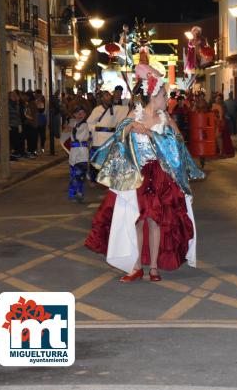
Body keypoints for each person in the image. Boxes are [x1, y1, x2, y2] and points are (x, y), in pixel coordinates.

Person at [85, 51, 205, 283]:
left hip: (160, 175)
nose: (166, 98)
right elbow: (119, 135)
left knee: (155, 220)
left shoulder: (165, 119)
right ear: (154, 96)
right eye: (163, 95)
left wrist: (150, 133)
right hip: (137, 175)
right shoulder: (134, 114)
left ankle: (154, 268)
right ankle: (137, 266)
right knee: (137, 220)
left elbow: (179, 144)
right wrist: (131, 127)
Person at [86, 90, 129, 182]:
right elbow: (89, 123)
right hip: (98, 138)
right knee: (96, 160)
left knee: (108, 160)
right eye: (106, 95)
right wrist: (96, 129)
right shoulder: (97, 110)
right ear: (101, 98)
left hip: (110, 138)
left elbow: (128, 108)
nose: (109, 97)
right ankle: (93, 179)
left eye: (109, 95)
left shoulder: (117, 108)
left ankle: (106, 180)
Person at [65, 104, 90, 201]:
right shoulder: (73, 123)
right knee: (73, 173)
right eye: (78, 113)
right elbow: (66, 134)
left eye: (82, 113)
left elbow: (79, 135)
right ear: (74, 115)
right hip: (73, 152)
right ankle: (72, 193)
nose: (80, 115)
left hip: (82, 153)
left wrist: (71, 128)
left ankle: (80, 193)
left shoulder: (84, 124)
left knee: (80, 174)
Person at [212, 93, 234, 158]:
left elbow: (221, 117)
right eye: (217, 98)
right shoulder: (213, 105)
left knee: (218, 136)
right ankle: (218, 151)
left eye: (219, 99)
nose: (218, 100)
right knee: (216, 137)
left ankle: (221, 152)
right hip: (214, 123)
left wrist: (217, 121)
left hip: (220, 123)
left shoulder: (220, 106)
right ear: (215, 99)